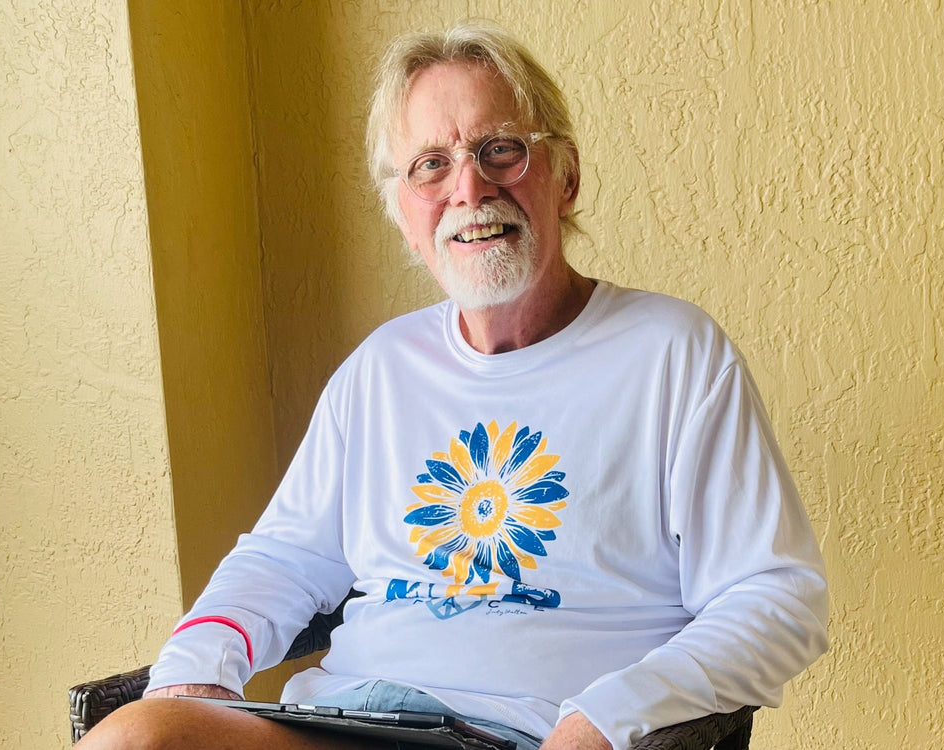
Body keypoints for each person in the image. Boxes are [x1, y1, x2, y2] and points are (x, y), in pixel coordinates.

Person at [80, 21, 828, 750]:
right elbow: (284, 559)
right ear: (405, 216)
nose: (469, 187)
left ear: (566, 177)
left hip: (526, 732)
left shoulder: (675, 354)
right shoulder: (379, 370)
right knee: (136, 739)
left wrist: (606, 719)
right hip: (341, 721)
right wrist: (191, 679)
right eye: (430, 165)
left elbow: (777, 598)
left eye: (500, 150)